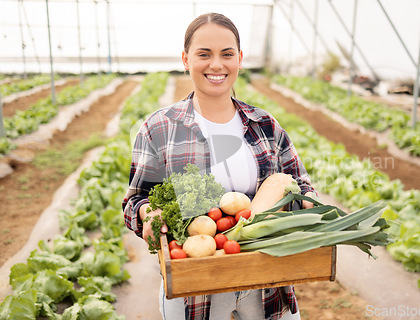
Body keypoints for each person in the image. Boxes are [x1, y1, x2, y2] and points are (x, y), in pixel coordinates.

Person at [123, 12, 317, 320]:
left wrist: (306, 204)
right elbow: (135, 200)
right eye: (204, 54)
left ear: (239, 59)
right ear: (186, 59)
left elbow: (302, 185)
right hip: (196, 290)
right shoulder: (159, 128)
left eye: (227, 54)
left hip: (266, 284)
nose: (216, 64)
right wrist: (149, 214)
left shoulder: (265, 125)